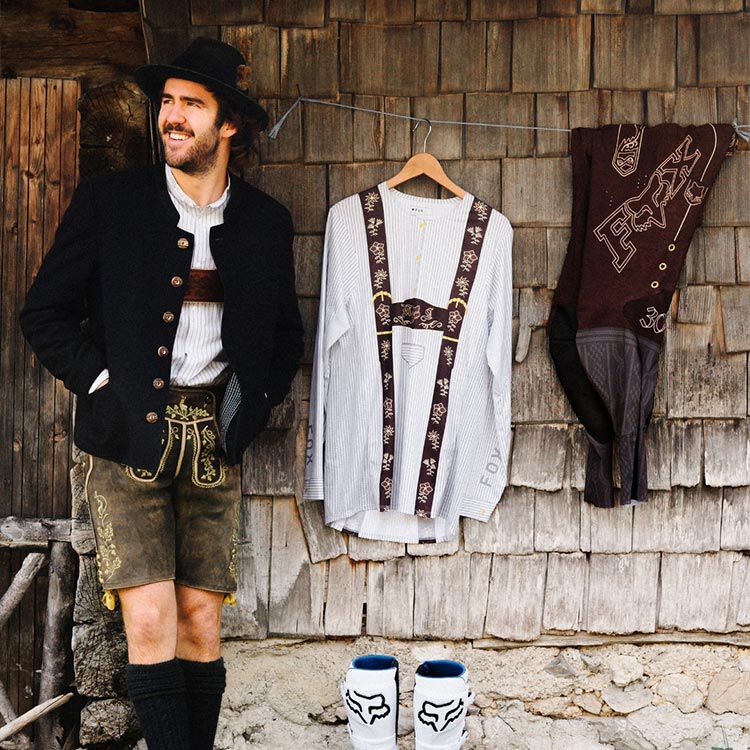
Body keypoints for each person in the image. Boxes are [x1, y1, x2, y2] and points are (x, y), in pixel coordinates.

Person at [20, 37, 303, 750]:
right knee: (149, 621)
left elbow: (284, 341)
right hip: (126, 440)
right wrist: (104, 385)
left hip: (214, 440)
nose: (171, 117)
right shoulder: (111, 203)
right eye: (167, 102)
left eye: (191, 105)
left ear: (228, 123)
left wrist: (249, 409)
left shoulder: (266, 224)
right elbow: (44, 313)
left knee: (201, 622)